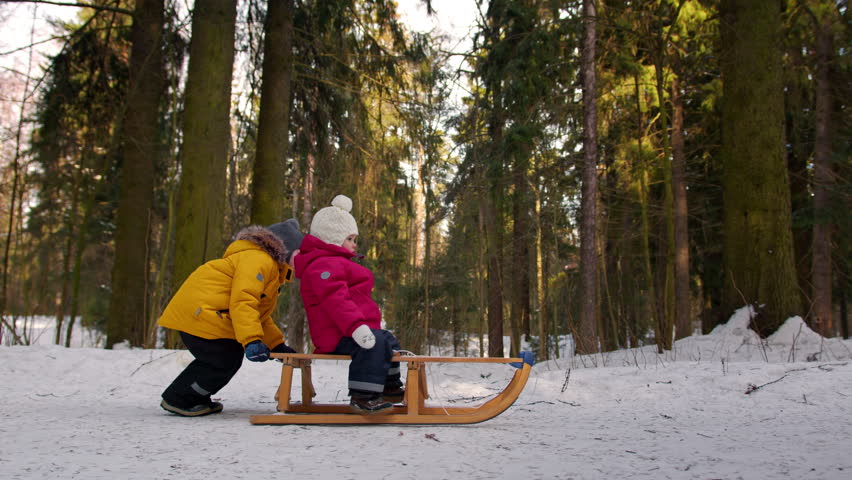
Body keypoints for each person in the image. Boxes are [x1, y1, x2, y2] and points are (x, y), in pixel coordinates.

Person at [158, 219, 304, 417]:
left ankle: (191, 396)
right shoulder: (259, 261)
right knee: (223, 358)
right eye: (300, 254)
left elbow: (259, 316)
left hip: (205, 314)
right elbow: (244, 301)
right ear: (286, 250)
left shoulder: (268, 267)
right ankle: (180, 398)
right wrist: (252, 339)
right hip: (202, 314)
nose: (303, 261)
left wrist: (276, 345)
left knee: (223, 358)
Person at [294, 194, 404, 414]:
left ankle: (389, 386)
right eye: (350, 239)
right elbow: (336, 300)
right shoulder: (324, 265)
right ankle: (363, 396)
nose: (355, 245)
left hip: (351, 331)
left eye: (355, 239)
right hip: (338, 334)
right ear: (333, 238)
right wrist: (356, 327)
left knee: (388, 340)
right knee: (375, 343)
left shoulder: (335, 263)